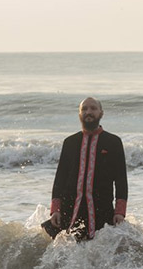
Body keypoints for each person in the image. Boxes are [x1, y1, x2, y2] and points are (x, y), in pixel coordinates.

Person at [47, 97, 128, 241]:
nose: (88, 112)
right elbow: (60, 177)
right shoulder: (70, 142)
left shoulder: (113, 142)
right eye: (84, 109)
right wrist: (55, 210)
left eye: (93, 108)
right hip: (70, 209)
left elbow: (121, 179)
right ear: (79, 114)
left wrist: (120, 212)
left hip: (101, 209)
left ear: (101, 113)